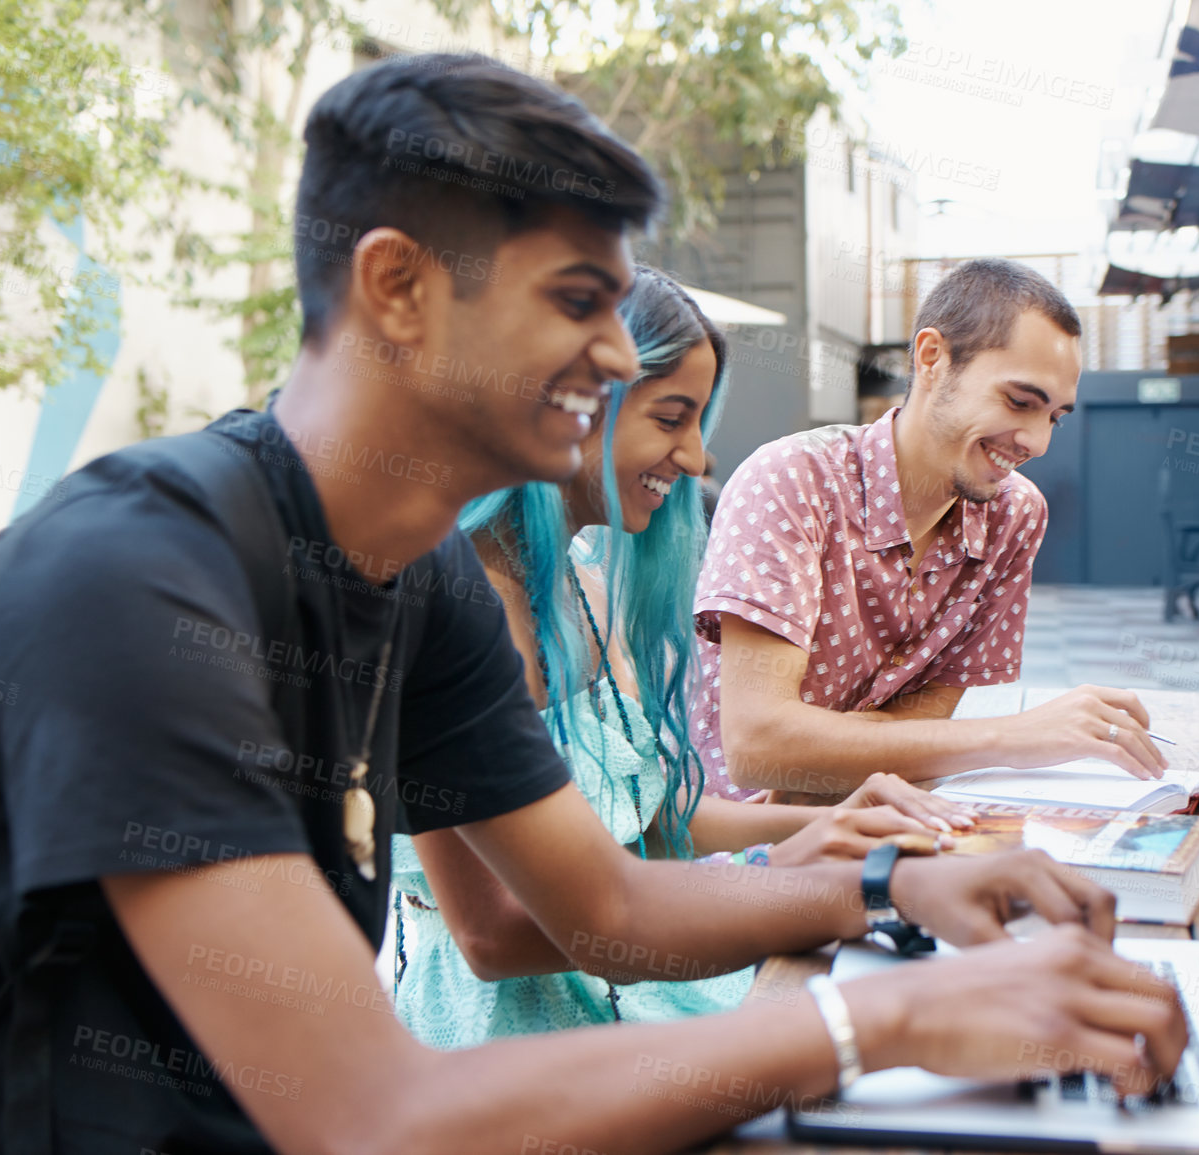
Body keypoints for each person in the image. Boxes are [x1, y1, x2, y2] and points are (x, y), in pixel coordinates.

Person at [0, 54, 1186, 1155]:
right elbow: (374, 1118)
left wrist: (894, 890)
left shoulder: (418, 581)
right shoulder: (137, 588)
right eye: (577, 299)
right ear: (399, 287)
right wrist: (878, 1018)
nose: (620, 356)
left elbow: (610, 907)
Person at [392, 267, 969, 1045]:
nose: (696, 458)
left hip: (629, 994)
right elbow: (491, 935)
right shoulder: (457, 608)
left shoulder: (586, 583)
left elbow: (658, 826)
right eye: (671, 418)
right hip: (515, 1040)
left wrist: (827, 819)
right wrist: (780, 874)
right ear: (570, 402)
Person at [690, 258, 1168, 802]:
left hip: (888, 819)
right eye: (1019, 401)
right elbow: (755, 748)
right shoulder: (794, 480)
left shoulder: (1014, 516)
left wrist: (837, 744)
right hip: (739, 843)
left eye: (1055, 417)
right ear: (932, 357)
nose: (1037, 442)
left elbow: (926, 734)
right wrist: (1012, 736)